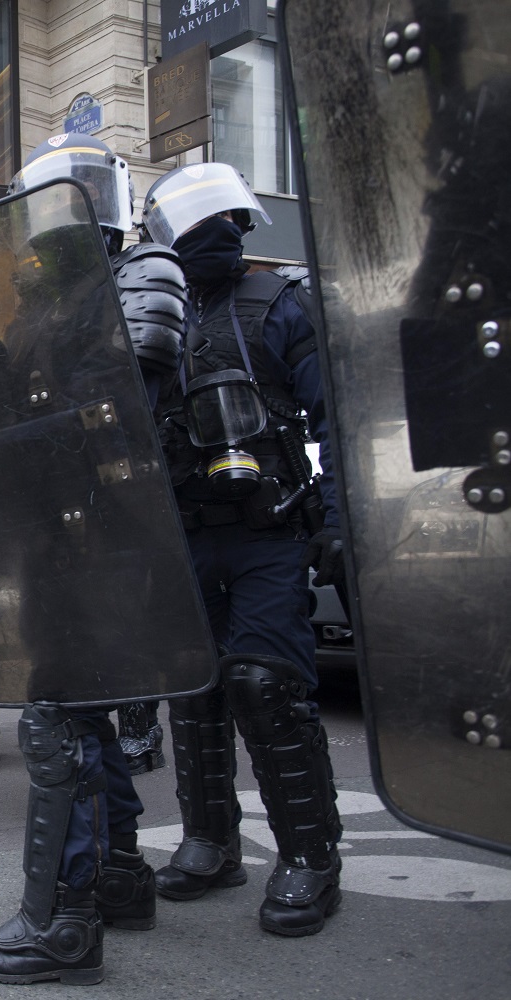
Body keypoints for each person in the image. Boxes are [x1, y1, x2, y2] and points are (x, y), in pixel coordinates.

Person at [0, 135, 190, 983]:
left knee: (59, 719)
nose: (51, 222)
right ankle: (116, 877)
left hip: (108, 533)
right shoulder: (46, 305)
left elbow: (114, 418)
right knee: (78, 714)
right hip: (57, 534)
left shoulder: (132, 281)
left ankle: (62, 923)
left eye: (67, 198)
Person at [142, 161, 345, 938]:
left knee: (266, 685)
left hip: (267, 530)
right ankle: (210, 842)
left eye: (222, 224)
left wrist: (337, 521)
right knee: (193, 688)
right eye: (194, 230)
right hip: (187, 534)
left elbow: (336, 420)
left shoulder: (284, 305)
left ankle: (310, 858)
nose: (212, 239)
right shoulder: (154, 319)